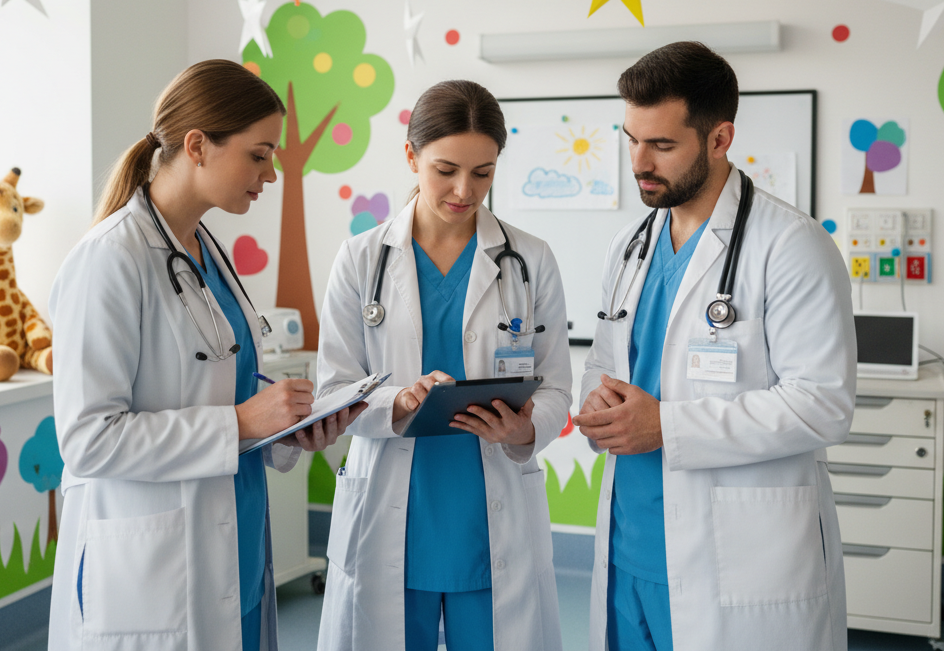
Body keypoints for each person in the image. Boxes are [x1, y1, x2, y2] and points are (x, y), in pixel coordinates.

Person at [47, 60, 363, 651]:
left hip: (232, 543)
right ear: (197, 145)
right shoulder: (110, 259)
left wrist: (288, 425)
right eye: (259, 154)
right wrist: (244, 421)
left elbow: (222, 381)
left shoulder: (204, 248)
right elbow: (88, 439)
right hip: (157, 572)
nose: (270, 173)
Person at [572, 42, 856, 651]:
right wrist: (596, 400)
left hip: (736, 554)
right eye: (630, 139)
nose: (639, 163)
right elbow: (606, 360)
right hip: (630, 541)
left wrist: (666, 426)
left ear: (720, 138)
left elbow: (823, 404)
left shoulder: (791, 245)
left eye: (662, 145)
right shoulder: (630, 246)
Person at [315, 80, 571, 651]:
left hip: (489, 512)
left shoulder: (530, 259)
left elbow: (555, 385)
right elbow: (332, 391)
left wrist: (527, 427)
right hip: (391, 513)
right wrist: (398, 401)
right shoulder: (361, 260)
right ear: (411, 155)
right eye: (445, 170)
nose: (464, 190)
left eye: (483, 173)